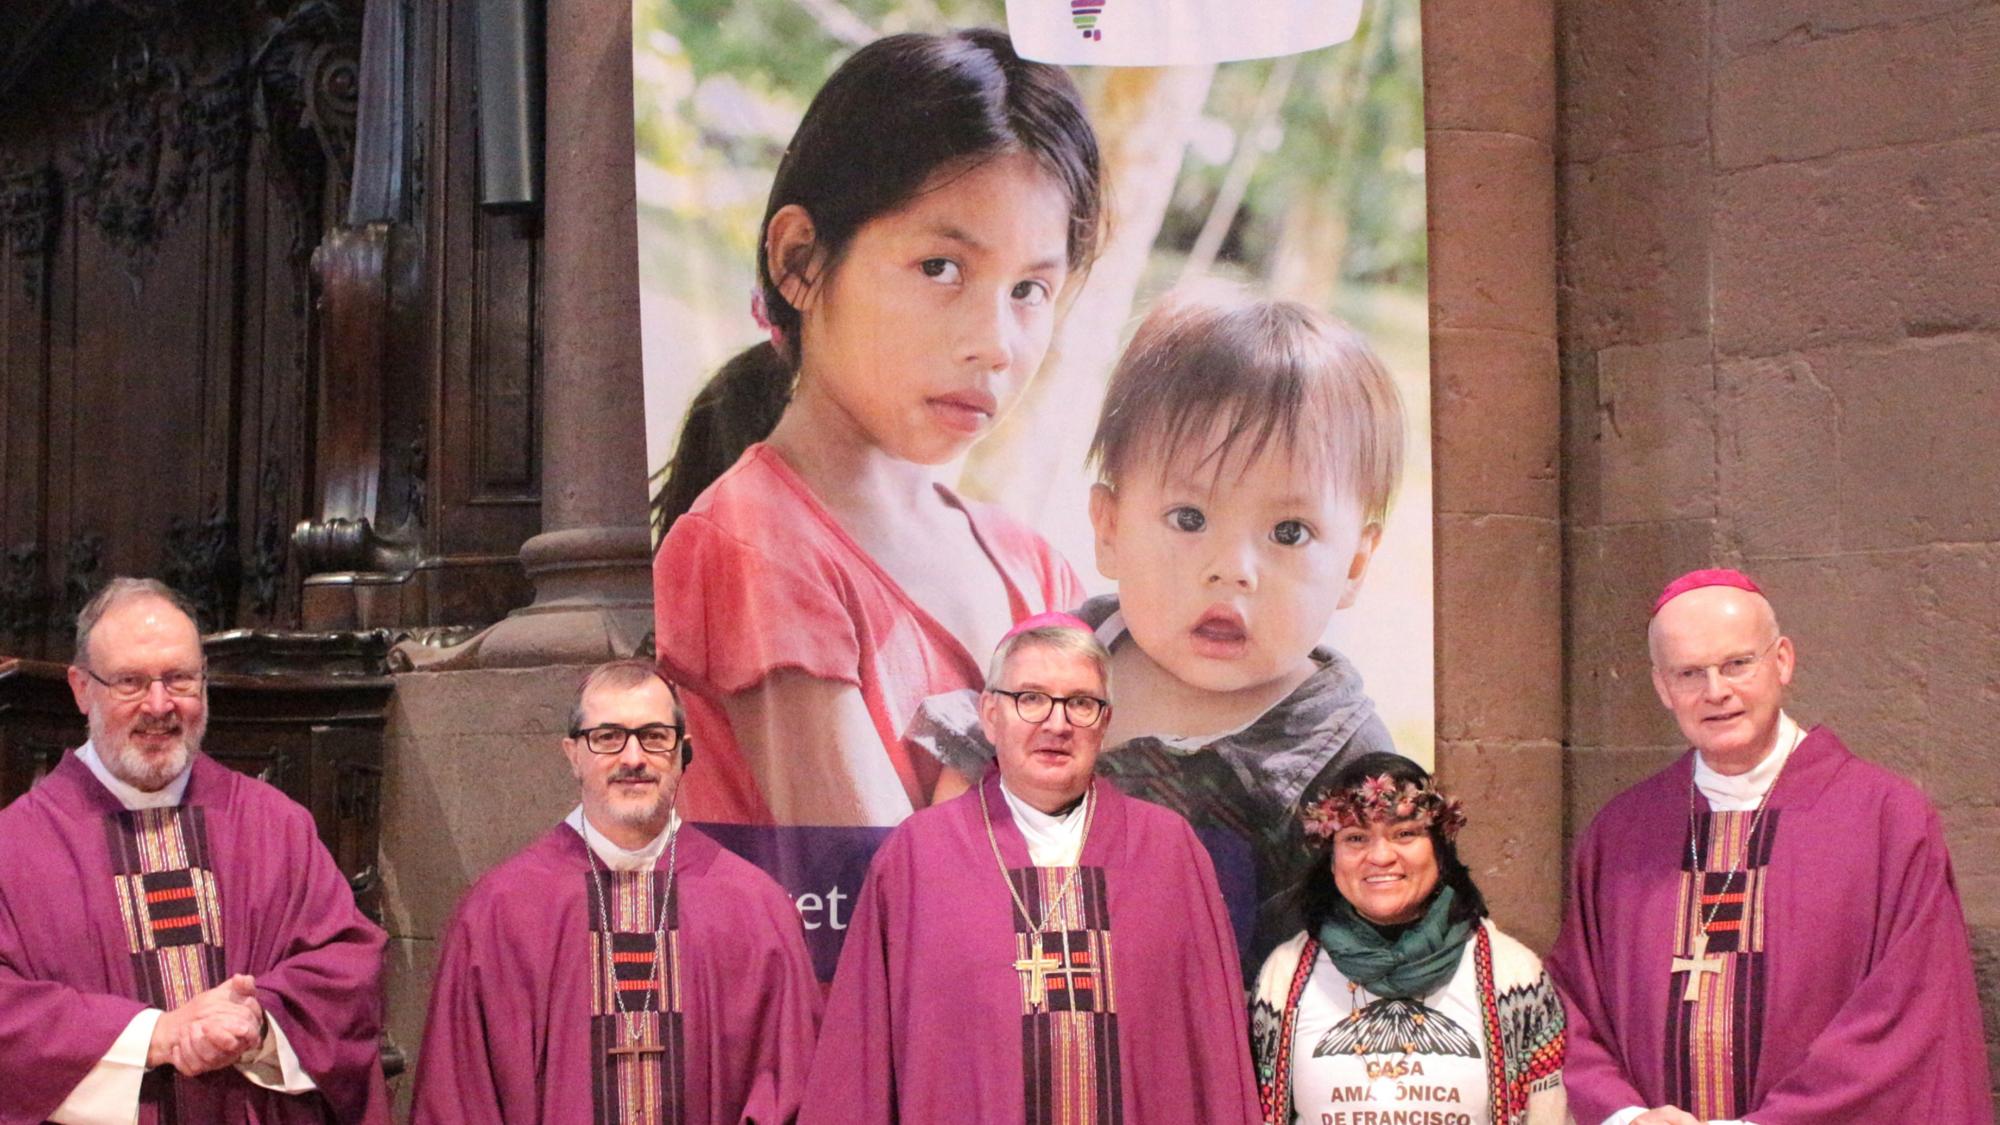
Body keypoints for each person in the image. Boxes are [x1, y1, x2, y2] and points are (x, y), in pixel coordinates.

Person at [651, 28, 1105, 827]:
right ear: (799, 259)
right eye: (941, 268)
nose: (995, 344)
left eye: (1031, 290)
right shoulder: (758, 544)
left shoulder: (1037, 572)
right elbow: (871, 906)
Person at [917, 289, 1406, 971]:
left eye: (1288, 532)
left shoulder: (1342, 765)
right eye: (1188, 519)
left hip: (1207, 1057)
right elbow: (958, 798)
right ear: (1110, 527)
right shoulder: (1059, 658)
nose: (1232, 570)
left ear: (1354, 565)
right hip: (1009, 1020)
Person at [1546, 568, 1992, 1124]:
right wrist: (1626, 1116)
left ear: (1782, 661)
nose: (1716, 692)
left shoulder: (1887, 821)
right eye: (1689, 673)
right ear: (1662, 687)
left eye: (1737, 664)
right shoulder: (1622, 833)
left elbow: (1909, 1015)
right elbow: (1568, 1005)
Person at [800, 618, 1261, 1123]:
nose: (1056, 724)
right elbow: (860, 1059)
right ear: (991, 714)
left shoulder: (1168, 852)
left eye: (1081, 703)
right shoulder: (918, 857)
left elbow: (1214, 1055)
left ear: (1105, 723)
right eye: (1031, 698)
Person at [0, 577, 388, 1123]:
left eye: (180, 679)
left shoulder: (273, 825)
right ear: (82, 687)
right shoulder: (14, 848)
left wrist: (258, 1025)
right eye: (131, 683)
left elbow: (345, 972)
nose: (159, 706)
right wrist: (152, 1036)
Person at [411, 660, 821, 1123]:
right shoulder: (500, 912)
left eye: (654, 736)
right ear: (572, 754)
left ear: (683, 753)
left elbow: (793, 1089)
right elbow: (458, 1097)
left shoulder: (754, 909)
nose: (632, 758)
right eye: (607, 737)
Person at [1250, 753, 1565, 1125]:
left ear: (1439, 848)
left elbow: (1550, 1114)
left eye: (1404, 834)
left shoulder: (1512, 975)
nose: (1381, 856)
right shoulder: (1284, 977)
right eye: (1356, 837)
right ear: (1331, 858)